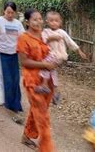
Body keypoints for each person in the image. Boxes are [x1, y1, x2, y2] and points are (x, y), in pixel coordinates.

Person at [17, 8, 58, 150]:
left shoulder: (45, 35)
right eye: (35, 19)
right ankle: (46, 147)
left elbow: (52, 53)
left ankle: (26, 136)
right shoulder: (23, 38)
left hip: (46, 81)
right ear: (27, 22)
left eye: (40, 18)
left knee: (39, 110)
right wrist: (44, 64)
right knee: (42, 115)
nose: (38, 21)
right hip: (32, 81)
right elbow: (24, 61)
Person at [0, 1, 25, 124]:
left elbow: (23, 38)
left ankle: (14, 102)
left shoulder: (18, 23)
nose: (10, 15)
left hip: (13, 55)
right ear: (4, 11)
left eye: (12, 12)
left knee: (15, 79)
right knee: (7, 79)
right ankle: (11, 106)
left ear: (15, 12)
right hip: (1, 54)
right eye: (8, 12)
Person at [36, 11, 87, 104]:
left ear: (60, 22)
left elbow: (70, 42)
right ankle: (55, 93)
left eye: (56, 21)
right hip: (51, 55)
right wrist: (50, 39)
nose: (54, 23)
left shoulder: (62, 32)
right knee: (52, 71)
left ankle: (44, 85)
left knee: (44, 65)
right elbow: (42, 42)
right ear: (47, 21)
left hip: (58, 56)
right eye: (51, 20)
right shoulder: (45, 32)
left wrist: (79, 51)